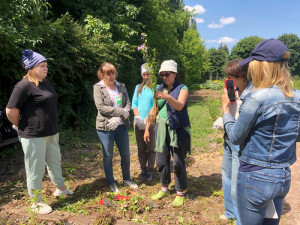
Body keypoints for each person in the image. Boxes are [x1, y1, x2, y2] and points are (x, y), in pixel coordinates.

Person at [222, 39, 300, 225]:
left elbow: (235, 137)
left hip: (254, 176)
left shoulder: (256, 98)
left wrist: (226, 112)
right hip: (282, 176)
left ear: (263, 66)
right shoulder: (296, 96)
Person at [6, 49, 73, 215]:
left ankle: (61, 188)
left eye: (46, 65)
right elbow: (10, 110)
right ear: (32, 68)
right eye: (42, 66)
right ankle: (36, 201)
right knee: (35, 169)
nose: (46, 68)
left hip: (51, 132)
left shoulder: (45, 83)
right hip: (33, 135)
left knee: (55, 161)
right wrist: (19, 126)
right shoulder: (23, 86)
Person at [144, 60, 191, 207]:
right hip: (161, 127)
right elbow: (154, 109)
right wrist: (147, 128)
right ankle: (164, 187)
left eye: (167, 74)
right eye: (162, 74)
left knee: (178, 161)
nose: (164, 77)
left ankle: (180, 191)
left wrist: (168, 97)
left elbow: (179, 106)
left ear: (175, 74)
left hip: (178, 129)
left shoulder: (182, 88)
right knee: (161, 160)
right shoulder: (159, 88)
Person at [214, 59, 252, 223]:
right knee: (227, 175)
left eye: (232, 76)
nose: (229, 80)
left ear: (242, 76)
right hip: (228, 137)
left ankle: (240, 216)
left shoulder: (251, 95)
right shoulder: (234, 91)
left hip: (239, 139)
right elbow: (229, 112)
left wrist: (226, 110)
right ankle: (230, 211)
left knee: (238, 180)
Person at [93, 62, 138, 194]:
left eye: (113, 73)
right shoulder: (98, 88)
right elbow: (101, 107)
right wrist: (120, 113)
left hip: (121, 126)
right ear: (102, 75)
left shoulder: (121, 86)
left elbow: (128, 103)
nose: (111, 76)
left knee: (125, 154)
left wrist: (121, 117)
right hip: (105, 127)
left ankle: (127, 179)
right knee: (108, 156)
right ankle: (111, 182)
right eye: (108, 74)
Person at [132, 63, 156, 181]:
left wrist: (148, 120)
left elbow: (155, 106)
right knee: (141, 147)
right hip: (139, 121)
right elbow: (134, 103)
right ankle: (143, 169)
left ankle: (150, 170)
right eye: (144, 74)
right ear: (142, 75)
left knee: (151, 147)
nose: (146, 77)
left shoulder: (156, 88)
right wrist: (138, 117)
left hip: (151, 122)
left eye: (148, 74)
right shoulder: (138, 87)